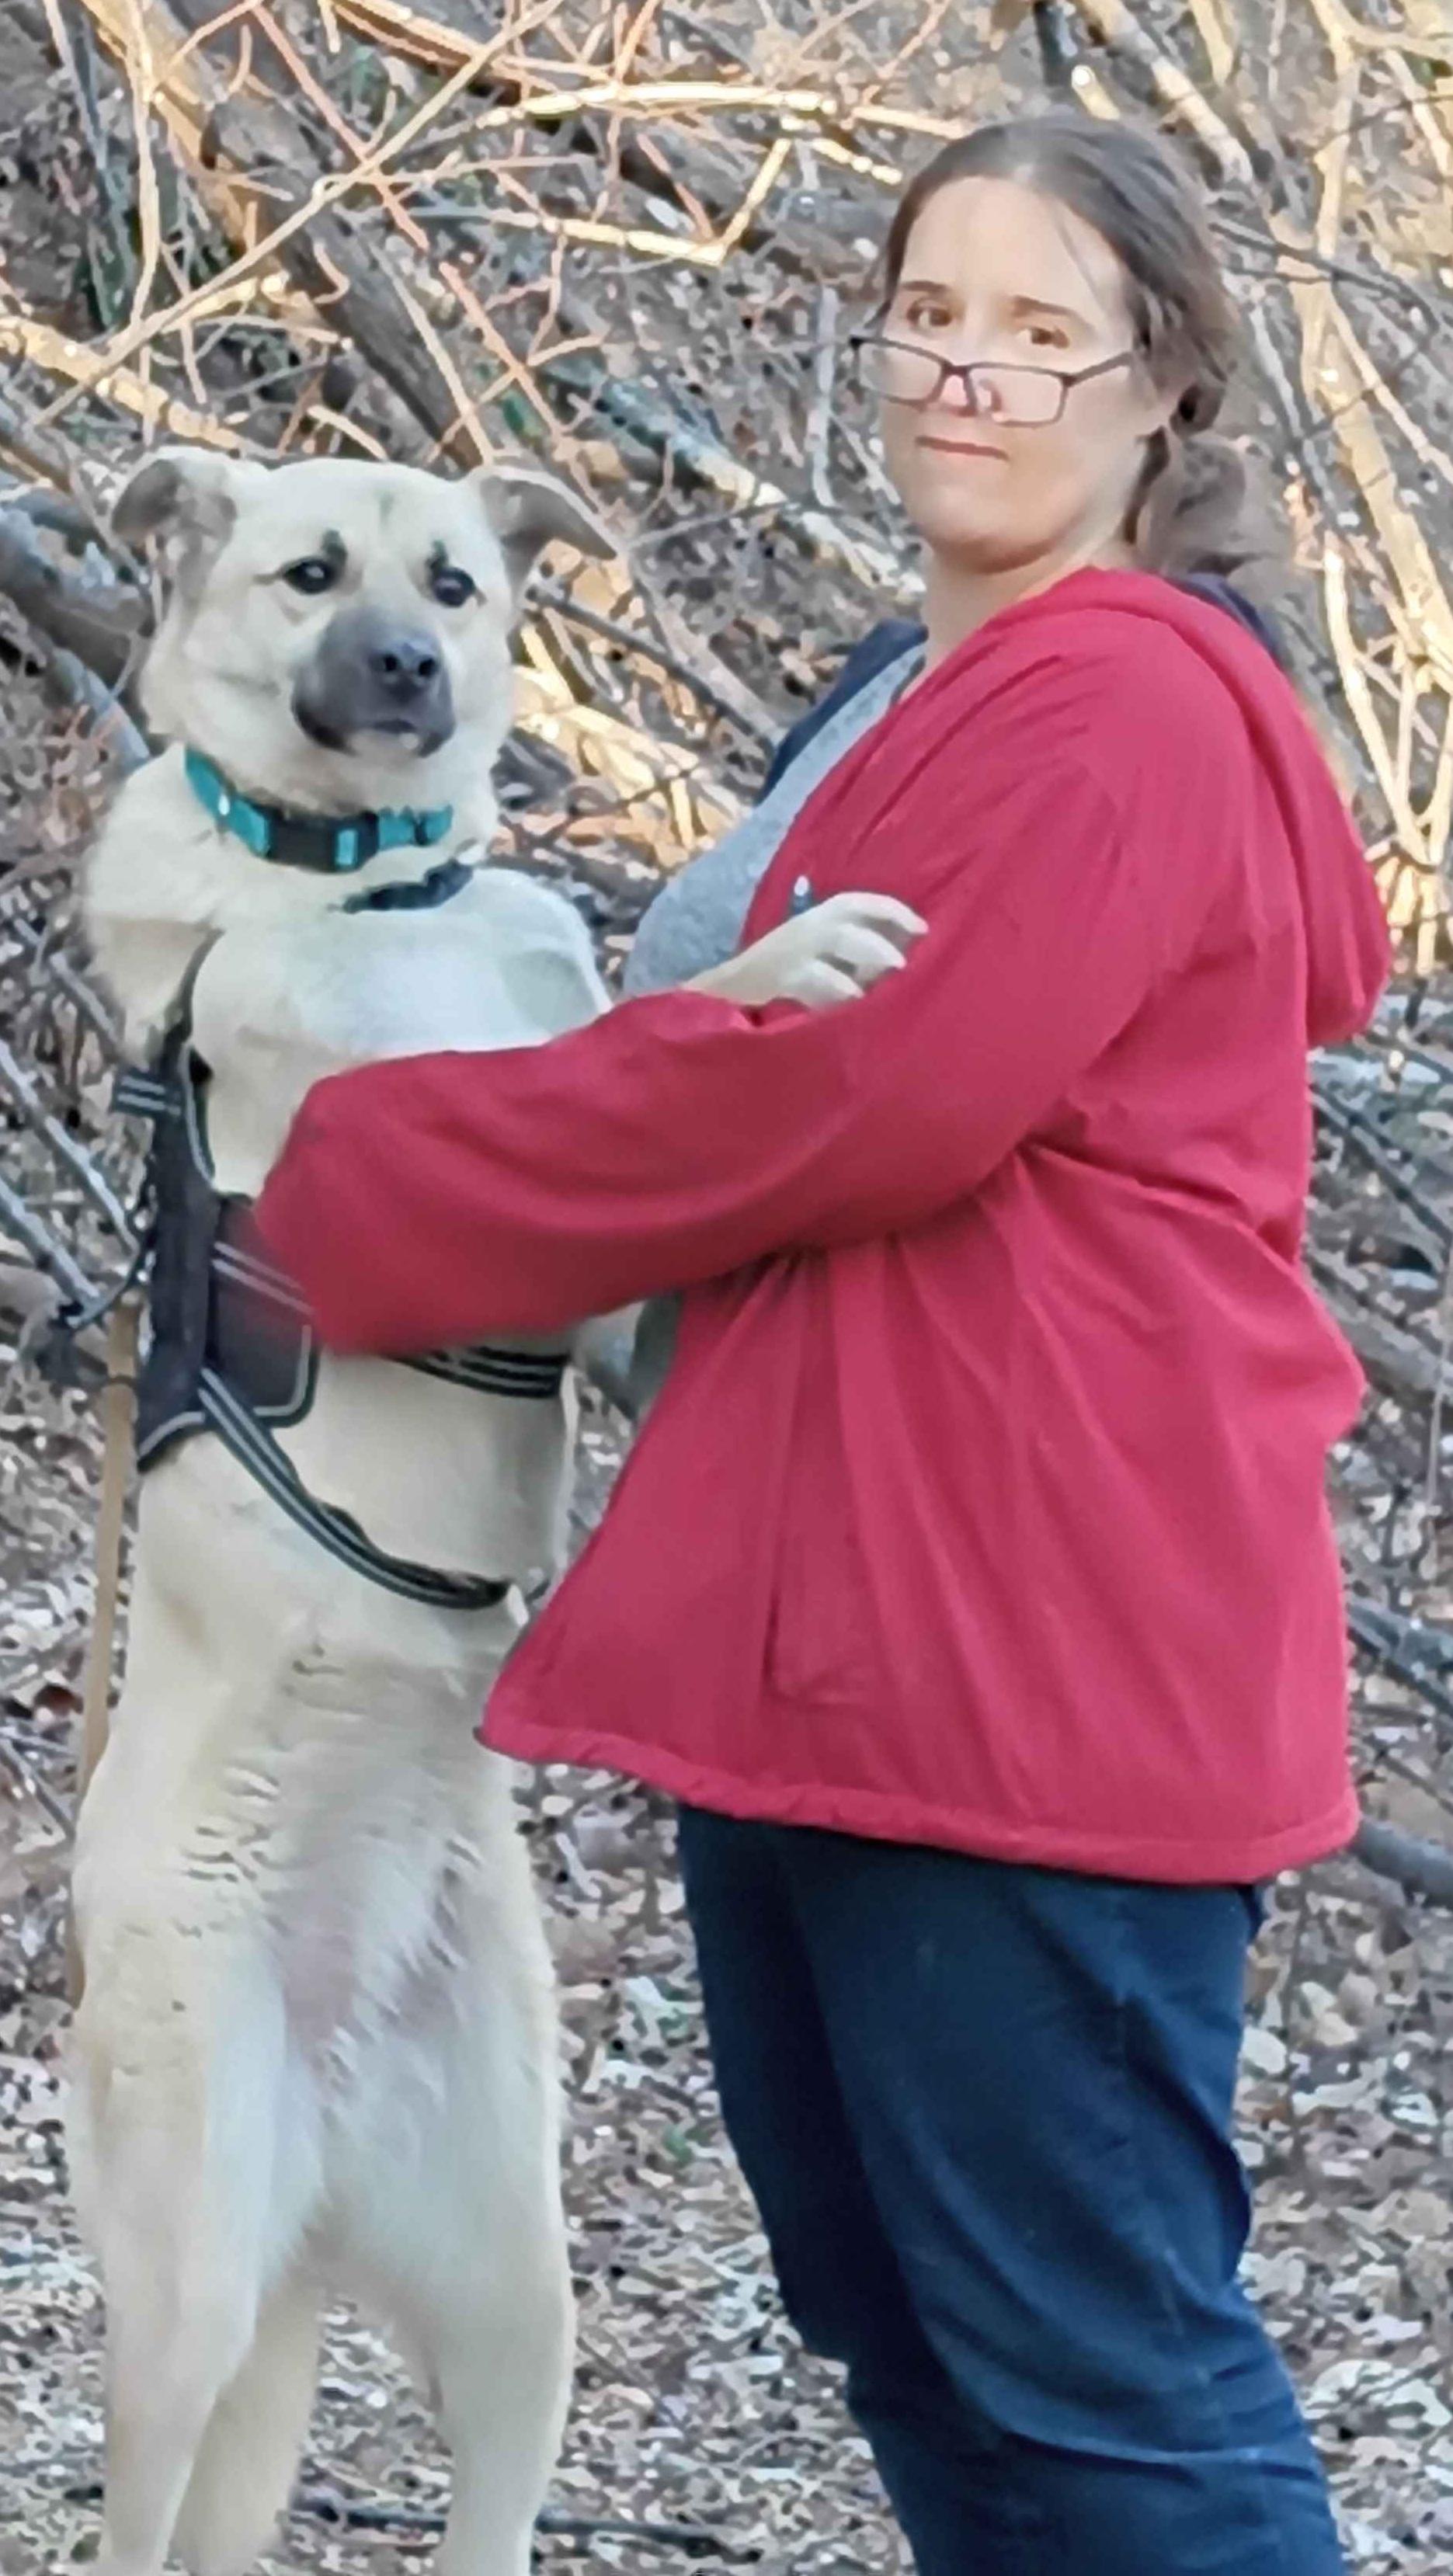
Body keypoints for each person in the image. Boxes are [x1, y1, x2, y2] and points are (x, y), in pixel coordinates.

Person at [253, 112, 1392, 2576]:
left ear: (1162, 387)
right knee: (915, 2342)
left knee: (1103, 2393)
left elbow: (851, 1096)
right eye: (930, 317)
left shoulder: (1125, 715)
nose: (968, 375)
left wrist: (339, 1189)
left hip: (1032, 1662)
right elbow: (741, 1040)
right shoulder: (917, 690)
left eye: (1039, 332)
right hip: (846, 1650)